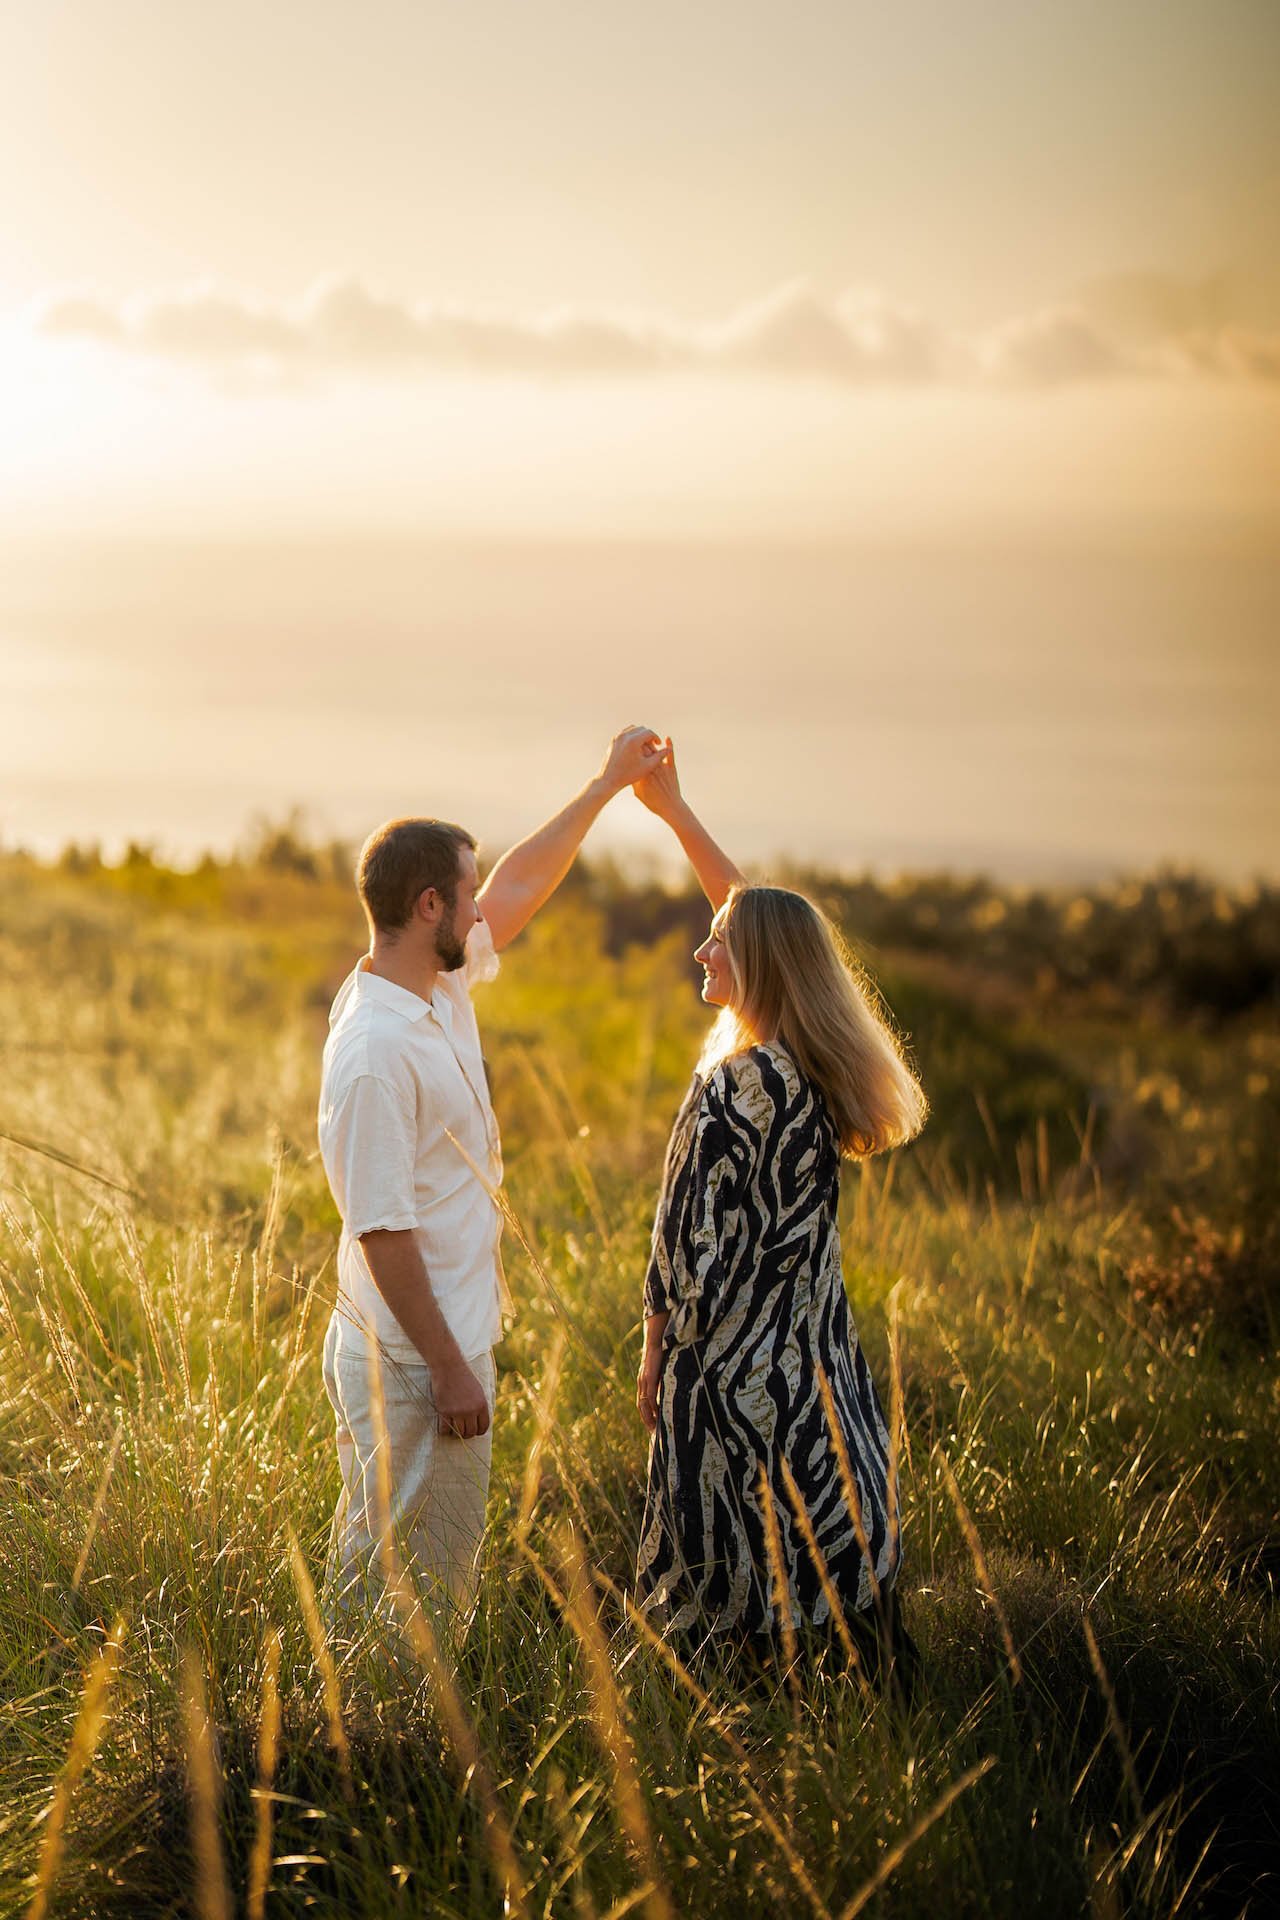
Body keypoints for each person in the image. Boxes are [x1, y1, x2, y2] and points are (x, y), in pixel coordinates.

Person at [318, 724, 663, 1627]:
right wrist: (448, 1369)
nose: (482, 912)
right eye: (465, 898)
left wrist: (602, 787)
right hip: (411, 1354)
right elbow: (381, 1229)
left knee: (415, 1566)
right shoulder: (374, 1051)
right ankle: (380, 1751)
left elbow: (517, 884)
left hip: (440, 1339)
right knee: (406, 1587)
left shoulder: (433, 983)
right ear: (430, 906)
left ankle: (379, 1737)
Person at [632, 742, 927, 1668]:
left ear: (755, 963)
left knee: (721, 1586)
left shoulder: (733, 1088)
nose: (700, 948)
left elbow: (682, 1252)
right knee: (810, 1558)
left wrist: (654, 1353)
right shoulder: (813, 1071)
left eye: (717, 942)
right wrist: (679, 817)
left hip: (724, 1380)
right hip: (811, 1367)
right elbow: (767, 925)